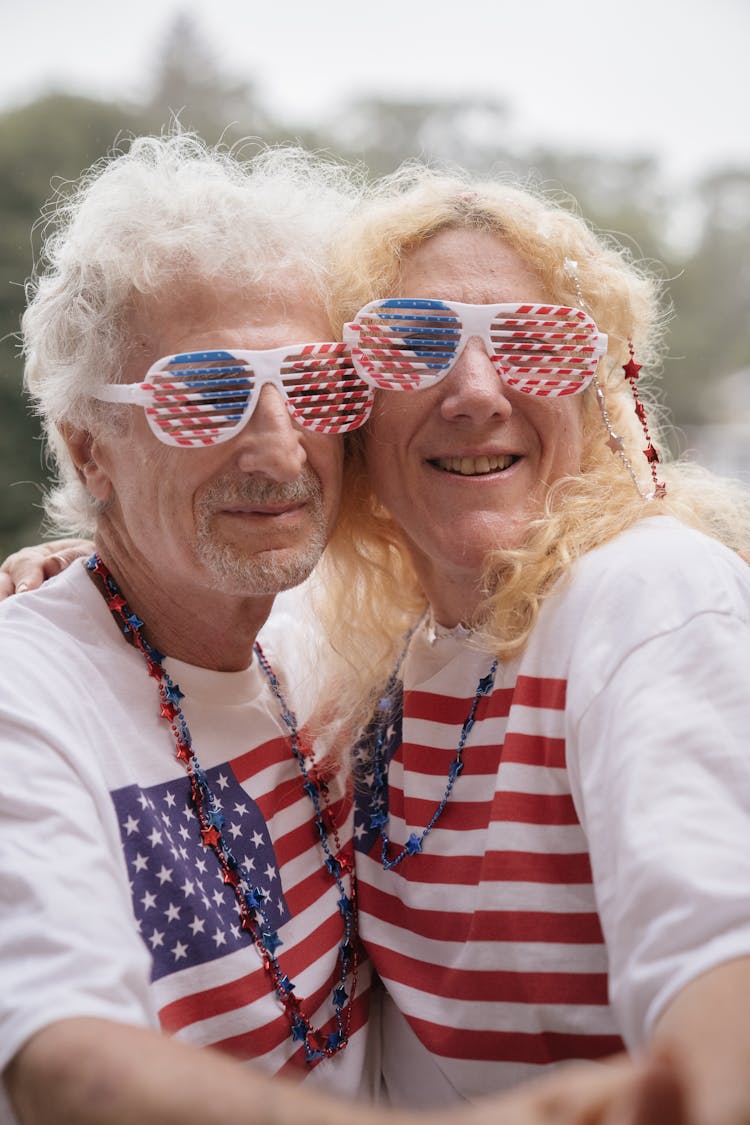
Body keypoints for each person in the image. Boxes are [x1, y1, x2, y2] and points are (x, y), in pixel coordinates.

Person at [0, 134, 685, 1125]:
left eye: (316, 386)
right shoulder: (27, 701)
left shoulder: (336, 649)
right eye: (207, 396)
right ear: (88, 449)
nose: (279, 453)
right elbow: (60, 1061)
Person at [303, 166, 750, 1123]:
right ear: (353, 415)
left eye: (534, 345)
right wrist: (94, 573)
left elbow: (718, 942)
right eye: (412, 345)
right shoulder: (382, 637)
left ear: (597, 403)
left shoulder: (645, 594)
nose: (474, 391)